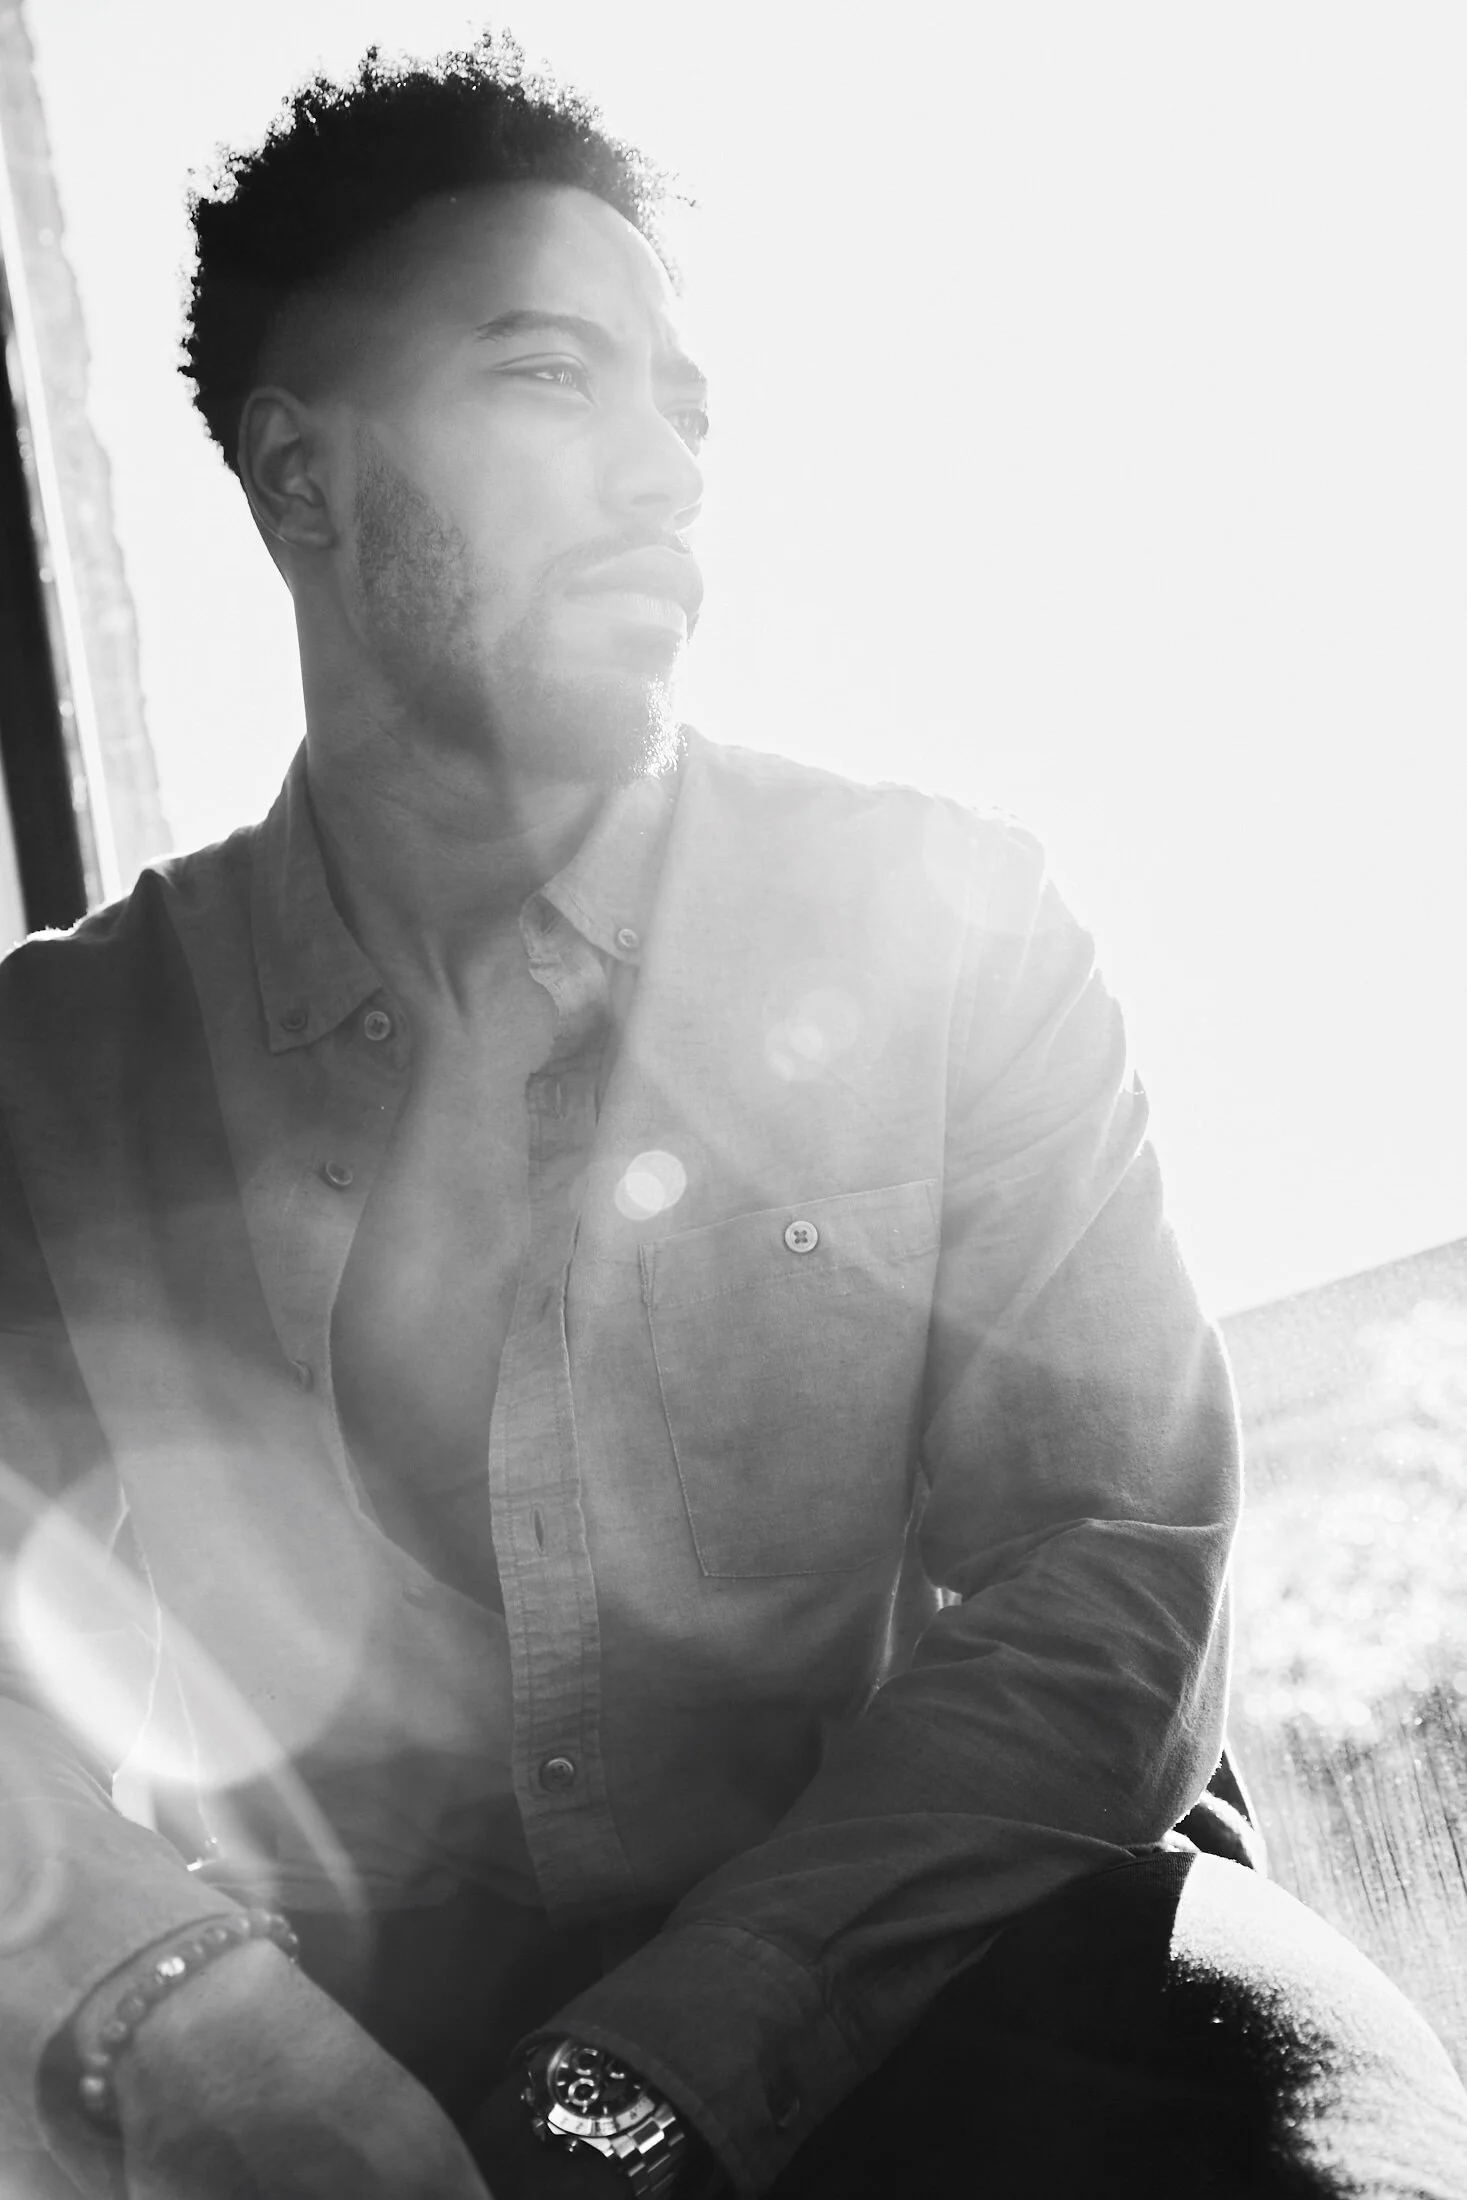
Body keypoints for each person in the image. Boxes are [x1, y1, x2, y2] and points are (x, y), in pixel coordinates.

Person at [0, 33, 1463, 2200]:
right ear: (301, 477)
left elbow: (1111, 1568)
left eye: (682, 409)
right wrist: (177, 1998)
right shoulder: (60, 1063)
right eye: (547, 376)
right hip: (338, 2034)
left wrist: (653, 2072)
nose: (664, 472)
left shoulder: (947, 916)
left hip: (965, 1923)